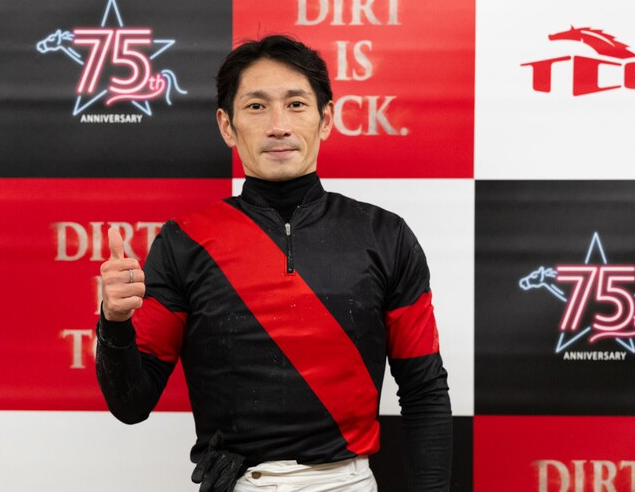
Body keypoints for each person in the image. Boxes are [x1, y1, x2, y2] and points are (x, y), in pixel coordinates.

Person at [96, 35, 452, 492]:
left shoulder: (385, 235)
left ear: (325, 119)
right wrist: (114, 322)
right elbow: (131, 404)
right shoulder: (184, 241)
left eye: (296, 104)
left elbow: (424, 392)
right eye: (257, 107)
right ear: (227, 125)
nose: (278, 125)